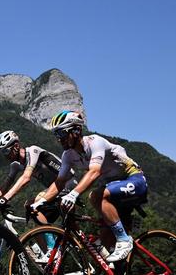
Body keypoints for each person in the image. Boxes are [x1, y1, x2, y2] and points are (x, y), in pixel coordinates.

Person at [31, 110, 147, 263]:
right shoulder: (68, 155)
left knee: (96, 196)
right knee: (104, 240)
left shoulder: (95, 142)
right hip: (114, 187)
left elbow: (94, 172)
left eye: (62, 133)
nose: (59, 139)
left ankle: (124, 239)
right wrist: (41, 202)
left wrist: (73, 194)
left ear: (76, 130)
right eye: (56, 135)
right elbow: (59, 182)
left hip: (134, 179)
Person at [0, 130, 76, 261]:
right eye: (2, 153)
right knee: (33, 215)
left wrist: (5, 199)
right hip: (55, 190)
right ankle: (49, 258)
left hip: (69, 184)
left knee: (31, 204)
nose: (5, 156)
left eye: (5, 151)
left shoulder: (32, 151)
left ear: (16, 146)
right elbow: (3, 187)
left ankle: (51, 248)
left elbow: (26, 177)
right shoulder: (15, 165)